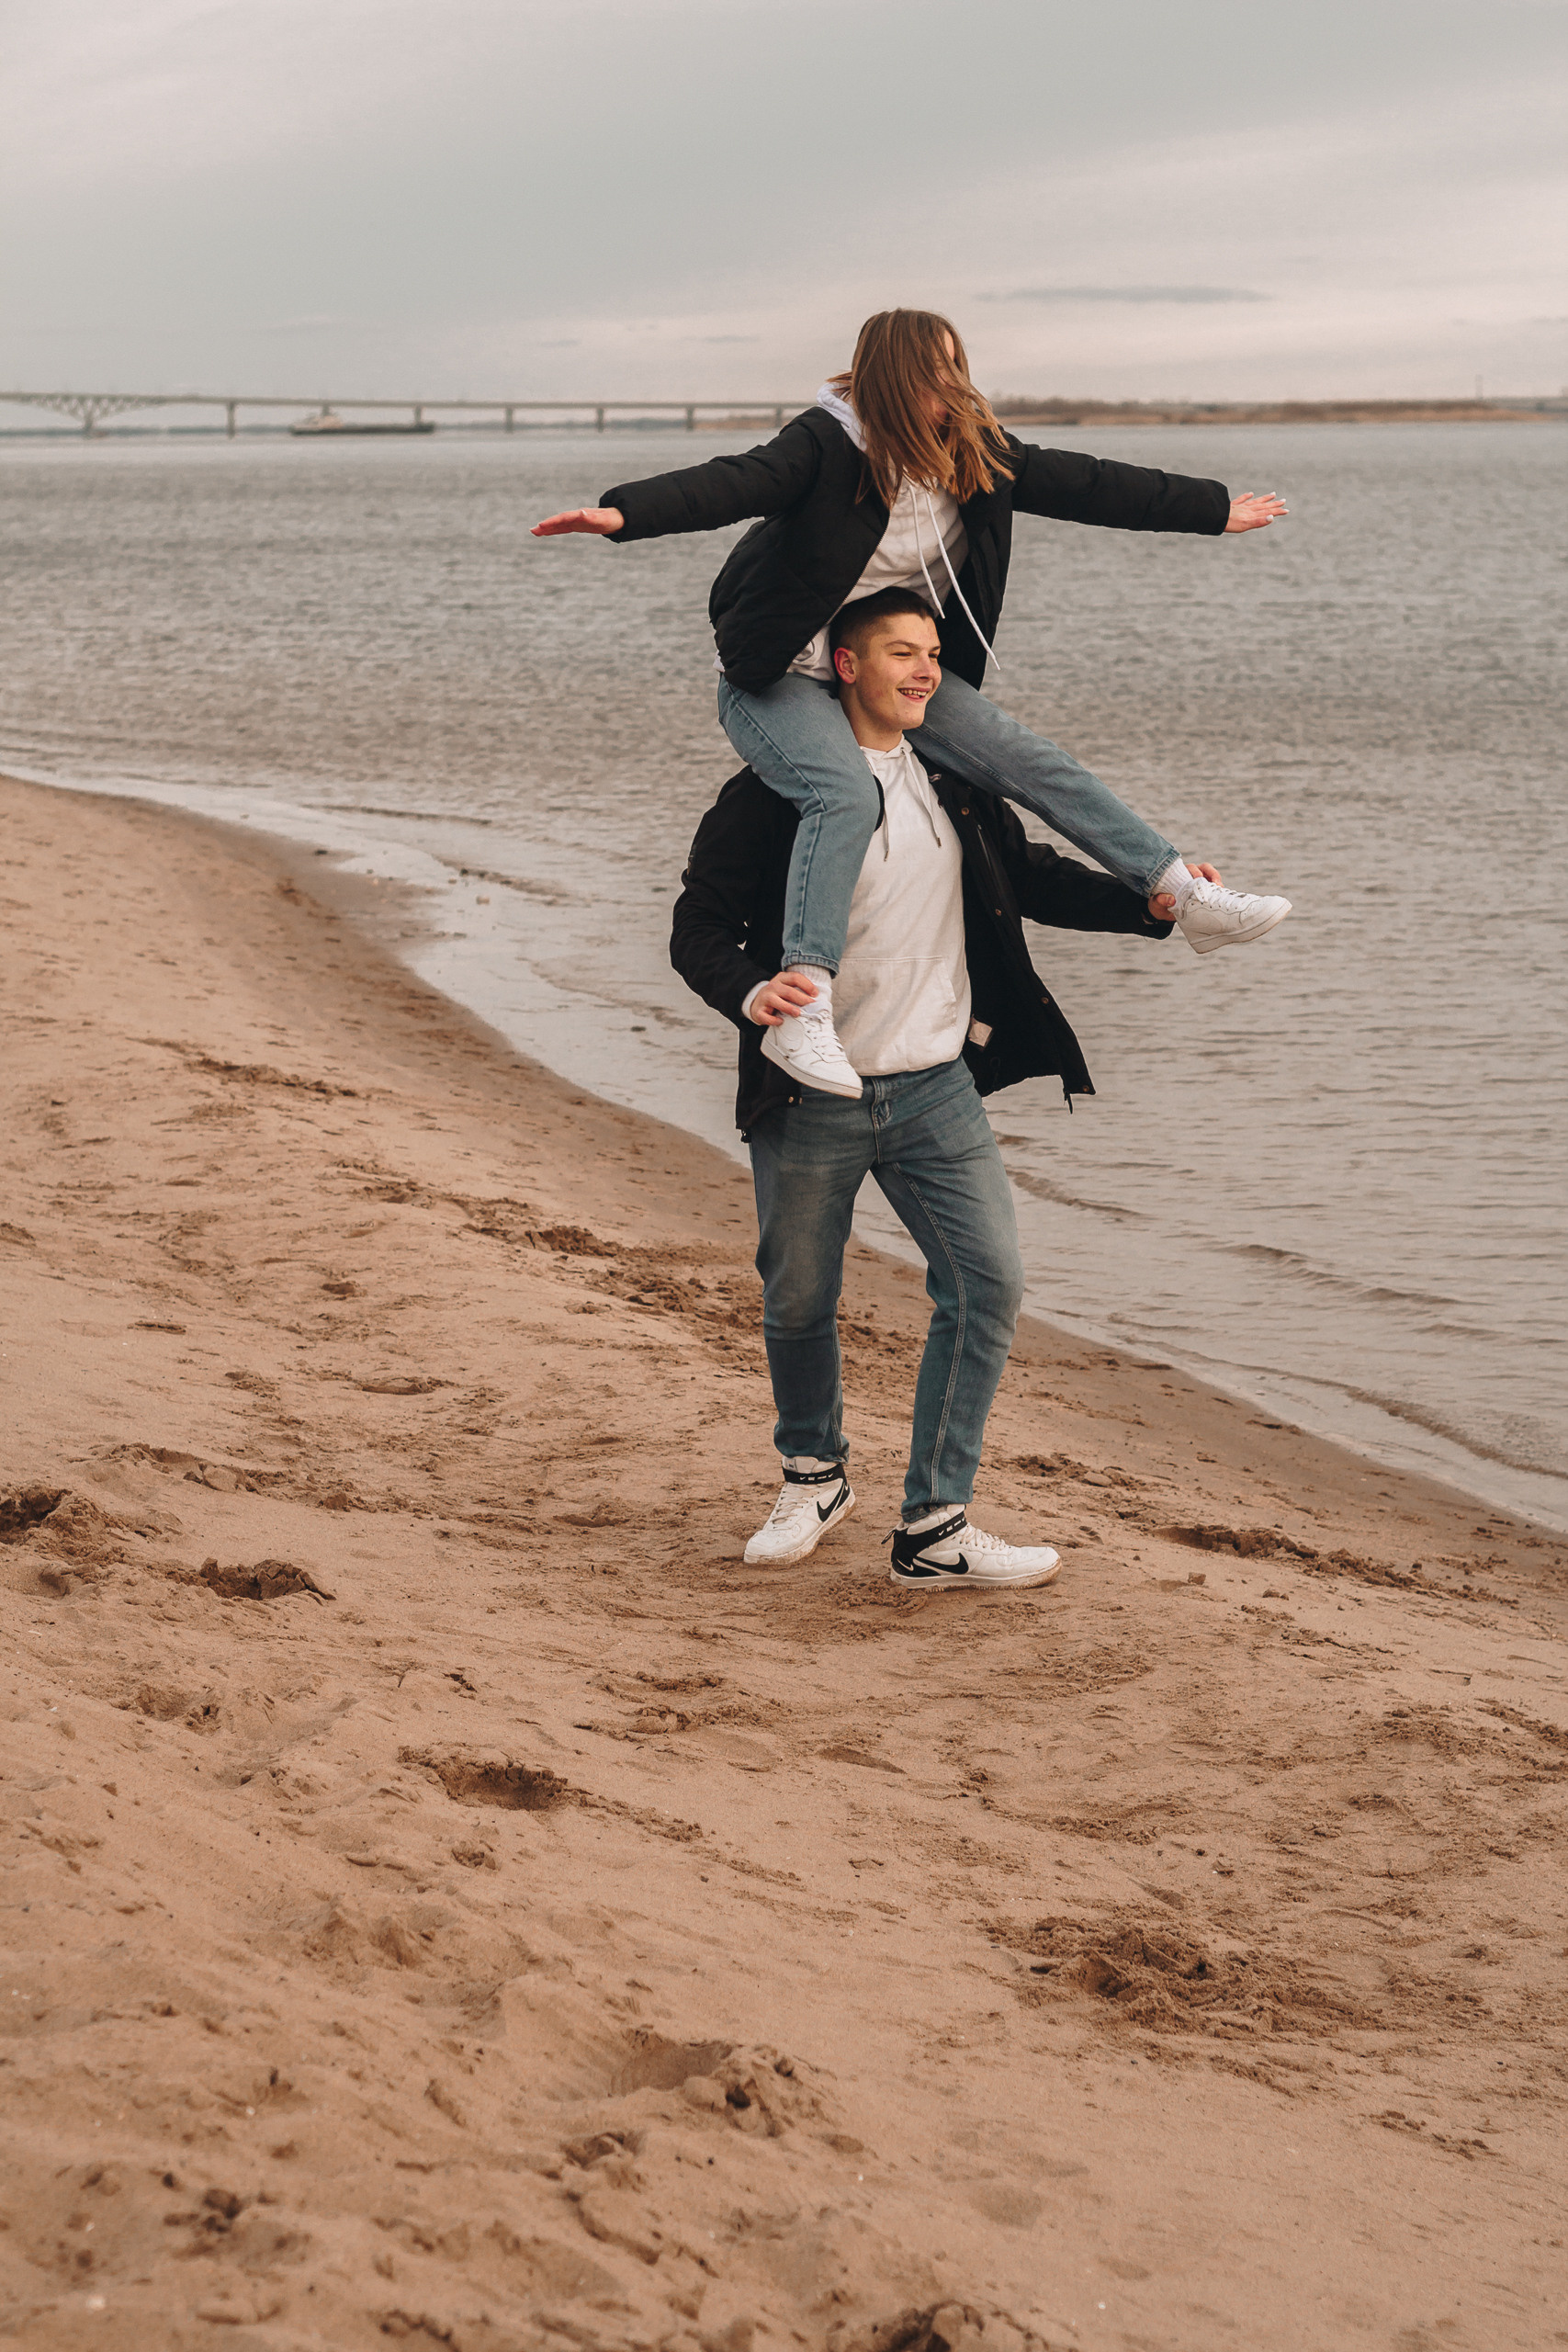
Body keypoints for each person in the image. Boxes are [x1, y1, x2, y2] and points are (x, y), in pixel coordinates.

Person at [538, 307, 1290, 1103]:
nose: (952, 388)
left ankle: (1182, 891)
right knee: (842, 793)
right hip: (781, 673)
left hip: (887, 669)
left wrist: (1213, 510)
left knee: (1029, 759)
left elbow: (1090, 483)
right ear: (891, 379)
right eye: (934, 374)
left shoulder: (976, 450)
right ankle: (805, 1006)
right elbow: (731, 482)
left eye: (956, 368)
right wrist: (624, 513)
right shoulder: (827, 444)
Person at [670, 586, 1213, 1590]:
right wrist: (750, 992)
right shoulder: (775, 793)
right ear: (845, 667)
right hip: (811, 1096)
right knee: (799, 1297)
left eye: (932, 653)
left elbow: (1029, 878)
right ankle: (813, 1474)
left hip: (934, 1089)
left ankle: (934, 1523)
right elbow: (696, 924)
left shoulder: (951, 781)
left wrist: (1151, 905)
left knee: (988, 1284)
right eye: (901, 652)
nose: (926, 671)